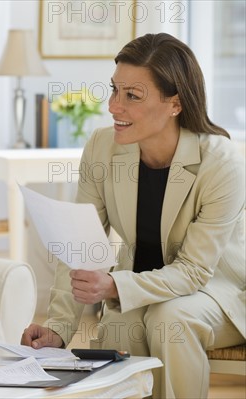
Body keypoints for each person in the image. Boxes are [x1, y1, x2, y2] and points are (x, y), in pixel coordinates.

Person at [21, 33, 245, 398]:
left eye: (132, 96)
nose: (113, 106)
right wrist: (59, 327)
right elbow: (77, 245)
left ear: (175, 103)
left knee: (170, 319)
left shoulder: (220, 161)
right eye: (114, 91)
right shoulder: (102, 146)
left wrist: (114, 286)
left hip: (219, 292)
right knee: (121, 323)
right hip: (141, 286)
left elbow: (194, 271)